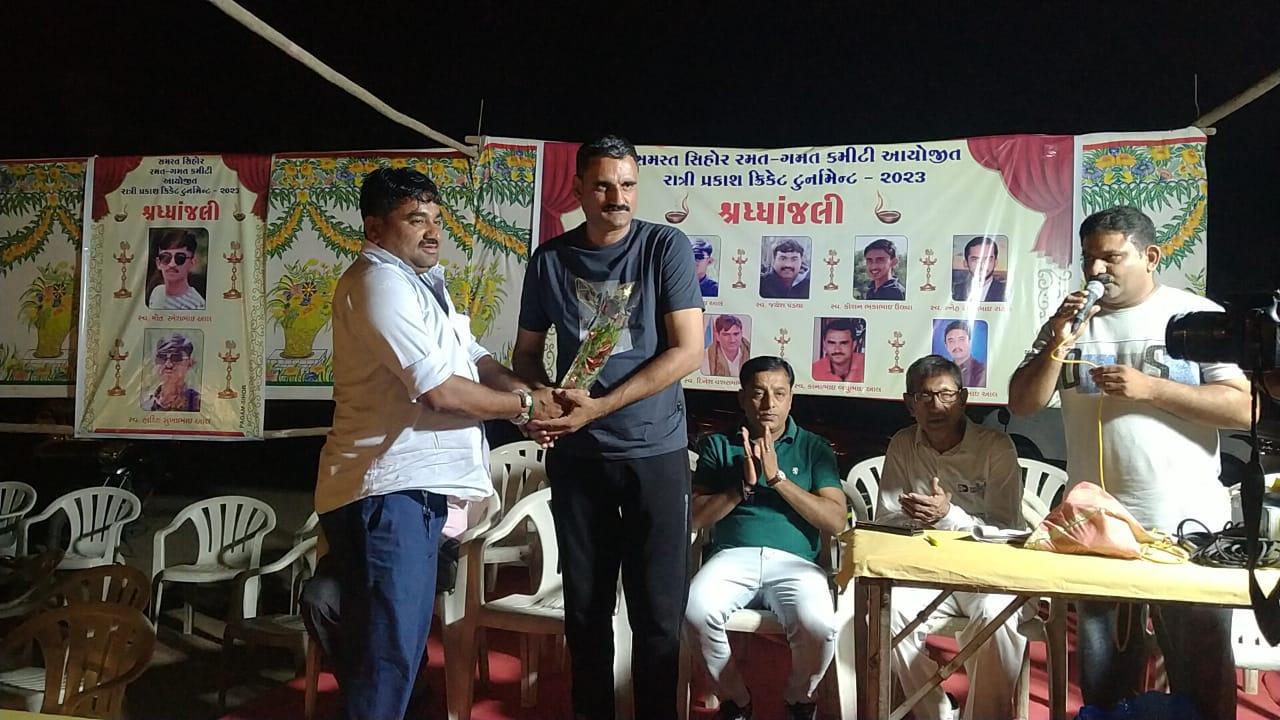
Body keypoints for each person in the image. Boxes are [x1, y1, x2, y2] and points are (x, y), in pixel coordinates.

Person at [314, 167, 554, 720]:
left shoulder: (423, 287)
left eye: (437, 220)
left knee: (399, 649)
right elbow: (441, 392)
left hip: (412, 496)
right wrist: (526, 409)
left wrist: (531, 396)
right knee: (387, 655)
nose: (432, 232)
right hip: (387, 493)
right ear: (375, 228)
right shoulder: (379, 283)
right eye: (415, 219)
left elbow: (476, 360)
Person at [1008, 205, 1252, 720]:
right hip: (1097, 529)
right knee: (1104, 681)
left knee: (1201, 675)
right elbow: (1022, 403)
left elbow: (1242, 407)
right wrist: (1056, 340)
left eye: (1111, 258)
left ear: (1151, 256)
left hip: (1186, 526)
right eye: (1088, 259)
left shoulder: (1195, 315)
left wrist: (1151, 389)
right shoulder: (1070, 322)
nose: (1096, 271)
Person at [513, 134, 705, 720]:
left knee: (658, 615)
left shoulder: (663, 246)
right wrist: (542, 400)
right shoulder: (549, 259)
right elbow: (526, 354)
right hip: (580, 456)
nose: (616, 198)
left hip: (656, 452)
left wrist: (600, 406)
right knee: (586, 611)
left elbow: (688, 350)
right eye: (602, 186)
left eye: (626, 185)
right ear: (577, 189)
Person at [685, 355, 846, 720]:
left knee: (820, 626)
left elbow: (836, 521)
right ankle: (736, 701)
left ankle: (799, 699)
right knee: (694, 611)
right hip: (731, 557)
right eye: (758, 393)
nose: (769, 403)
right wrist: (742, 487)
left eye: (779, 393)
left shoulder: (814, 447)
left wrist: (777, 479)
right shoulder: (718, 445)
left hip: (796, 563)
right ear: (742, 398)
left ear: (791, 398)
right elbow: (694, 517)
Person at [878, 354, 1026, 720]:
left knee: (995, 615)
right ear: (909, 404)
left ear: (963, 398)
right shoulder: (902, 444)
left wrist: (948, 517)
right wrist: (914, 518)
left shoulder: (995, 447)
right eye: (924, 396)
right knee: (888, 611)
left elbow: (1006, 528)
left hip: (986, 572)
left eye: (945, 395)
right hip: (925, 570)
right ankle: (936, 713)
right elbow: (886, 519)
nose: (936, 406)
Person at [141, 333, 201, 412]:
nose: (168, 364)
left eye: (176, 358)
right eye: (162, 357)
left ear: (190, 363)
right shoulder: (145, 403)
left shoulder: (197, 403)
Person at [148, 229, 205, 310]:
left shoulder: (197, 305)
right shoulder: (157, 292)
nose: (172, 264)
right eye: (166, 258)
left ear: (192, 263)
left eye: (180, 258)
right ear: (158, 263)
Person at [952, 236, 1007, 302]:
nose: (981, 266)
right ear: (965, 263)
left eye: (987, 259)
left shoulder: (1006, 291)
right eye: (975, 260)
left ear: (995, 262)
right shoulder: (955, 291)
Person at [810, 318, 865, 383]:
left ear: (854, 345)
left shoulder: (868, 364)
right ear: (824, 345)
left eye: (843, 343)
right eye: (832, 343)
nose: (837, 350)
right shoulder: (814, 371)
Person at [942, 320, 986, 388]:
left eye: (961, 339)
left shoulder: (982, 371)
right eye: (951, 341)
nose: (956, 345)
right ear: (946, 346)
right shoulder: (942, 371)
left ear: (970, 342)